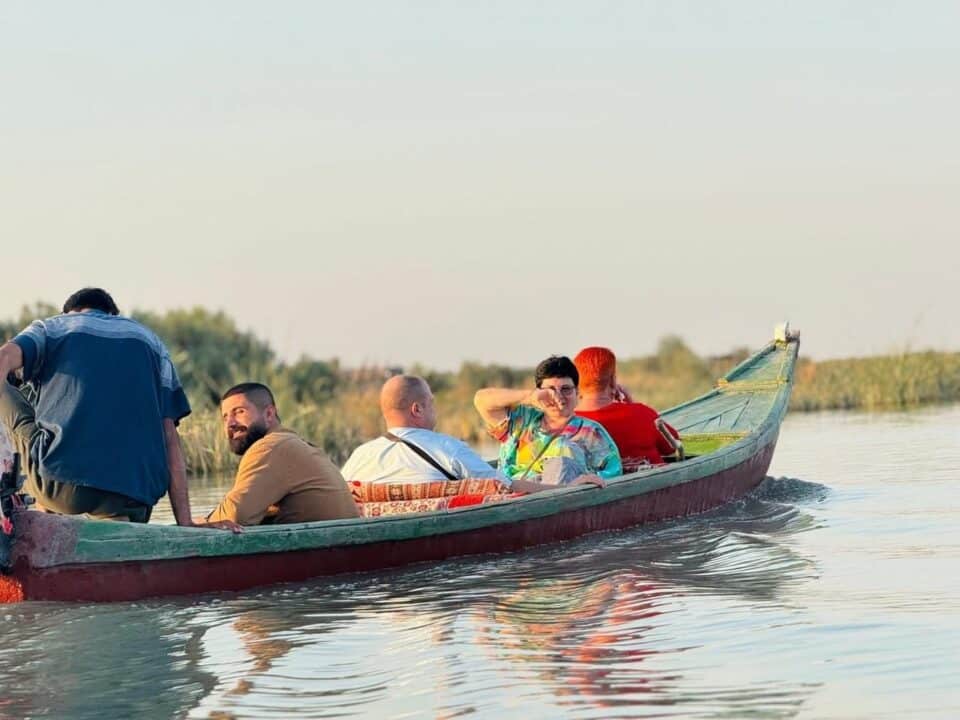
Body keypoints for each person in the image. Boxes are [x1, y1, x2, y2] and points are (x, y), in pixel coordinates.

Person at [0, 287, 233, 528]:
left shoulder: (53, 327)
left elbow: (3, 359)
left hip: (60, 488)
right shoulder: (153, 344)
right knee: (115, 505)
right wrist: (185, 522)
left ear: (70, 312)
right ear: (113, 314)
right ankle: (113, 521)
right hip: (134, 499)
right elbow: (170, 439)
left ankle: (46, 514)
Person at [342, 375, 556, 495]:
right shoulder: (447, 448)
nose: (435, 409)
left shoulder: (359, 456)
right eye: (431, 403)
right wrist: (568, 489)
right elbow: (506, 486)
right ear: (417, 410)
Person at [206, 382, 359, 525]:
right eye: (225, 417)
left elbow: (235, 516)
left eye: (239, 412)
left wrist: (200, 523)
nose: (230, 424)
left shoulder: (270, 447)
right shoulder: (291, 442)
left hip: (323, 546)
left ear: (269, 414)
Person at [474, 355, 621, 487]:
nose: (558, 397)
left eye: (566, 389)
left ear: (577, 393)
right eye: (550, 390)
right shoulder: (523, 420)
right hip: (512, 496)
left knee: (562, 464)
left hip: (560, 498)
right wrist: (530, 397)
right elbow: (481, 401)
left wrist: (582, 482)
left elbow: (612, 475)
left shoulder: (592, 432)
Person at [573, 346, 681, 471]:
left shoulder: (567, 424)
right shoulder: (642, 414)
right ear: (613, 381)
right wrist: (632, 406)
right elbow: (672, 447)